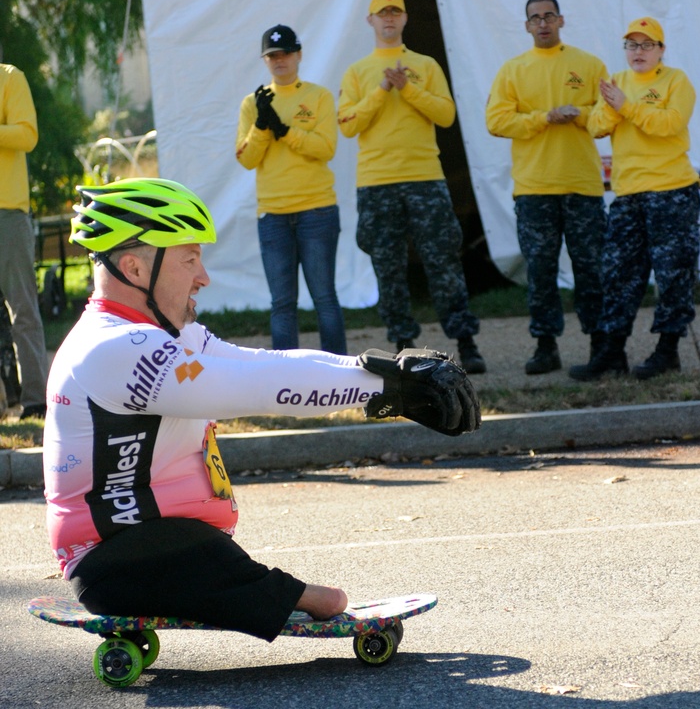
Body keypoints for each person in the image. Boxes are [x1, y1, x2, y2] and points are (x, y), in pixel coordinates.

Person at [42, 177, 479, 641]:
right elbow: (258, 388)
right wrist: (386, 388)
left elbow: (262, 364)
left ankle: (261, 588)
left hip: (158, 545)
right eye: (189, 258)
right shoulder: (114, 349)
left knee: (208, 552)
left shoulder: (164, 335)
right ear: (132, 267)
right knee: (275, 582)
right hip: (122, 561)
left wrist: (380, 373)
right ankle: (282, 593)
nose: (202, 276)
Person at [337, 0, 486, 374]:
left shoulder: (425, 65)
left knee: (443, 260)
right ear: (370, 21)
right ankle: (402, 345)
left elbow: (446, 115)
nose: (389, 19)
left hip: (424, 178)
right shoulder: (357, 72)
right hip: (377, 182)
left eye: (396, 13)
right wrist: (383, 89)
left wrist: (408, 88)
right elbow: (349, 125)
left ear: (404, 20)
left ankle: (465, 342)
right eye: (381, 14)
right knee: (388, 266)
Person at [569, 18, 700, 381]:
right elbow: (596, 126)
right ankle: (612, 352)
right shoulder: (616, 82)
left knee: (673, 273)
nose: (638, 52)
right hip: (628, 194)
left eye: (646, 45)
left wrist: (625, 107)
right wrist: (613, 105)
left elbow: (669, 124)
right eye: (632, 45)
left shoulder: (676, 81)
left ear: (661, 49)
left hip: (671, 190)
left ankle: (667, 350)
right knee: (618, 274)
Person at [485, 0, 609, 375]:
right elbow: (496, 121)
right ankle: (545, 345)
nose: (542, 23)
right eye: (535, 18)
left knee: (591, 269)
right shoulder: (513, 70)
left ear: (561, 20)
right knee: (540, 271)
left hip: (582, 186)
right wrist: (542, 118)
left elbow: (607, 116)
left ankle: (600, 344)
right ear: (526, 26)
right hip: (534, 188)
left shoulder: (588, 64)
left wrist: (579, 115)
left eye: (549, 16)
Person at [236, 24, 347, 355]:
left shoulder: (319, 96)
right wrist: (261, 126)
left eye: (285, 54)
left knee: (324, 296)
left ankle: (340, 376)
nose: (279, 60)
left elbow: (326, 148)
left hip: (317, 210)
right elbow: (246, 159)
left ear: (298, 55)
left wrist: (284, 130)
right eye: (272, 56)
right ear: (264, 61)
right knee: (282, 303)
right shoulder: (253, 104)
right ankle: (286, 379)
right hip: (273, 215)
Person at [0, 43, 49, 419]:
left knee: (23, 311)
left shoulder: (10, 77)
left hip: (7, 213)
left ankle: (35, 400)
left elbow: (27, 136)